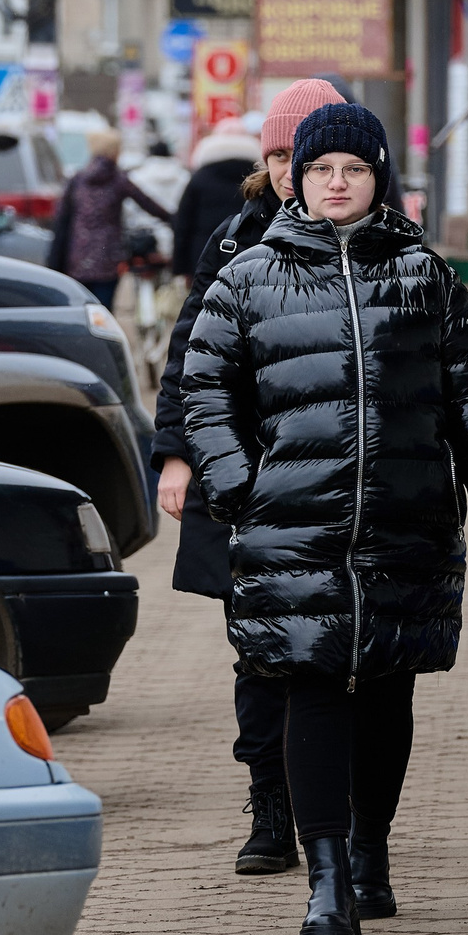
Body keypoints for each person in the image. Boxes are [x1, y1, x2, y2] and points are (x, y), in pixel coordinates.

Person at [179, 100, 468, 935]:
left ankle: (372, 853)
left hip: (405, 520)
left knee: (385, 689)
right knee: (310, 684)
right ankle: (327, 880)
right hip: (292, 524)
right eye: (319, 170)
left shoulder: (426, 276)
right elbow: (204, 388)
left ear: (379, 177)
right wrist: (238, 484)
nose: (336, 184)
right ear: (293, 179)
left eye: (354, 169)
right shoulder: (247, 278)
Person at [149, 77, 347, 875]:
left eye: (297, 151)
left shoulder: (373, 239)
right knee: (259, 648)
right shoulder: (233, 241)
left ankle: (340, 818)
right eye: (273, 153)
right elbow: (186, 356)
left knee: (337, 651)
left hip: (335, 483)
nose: (287, 167)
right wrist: (176, 453)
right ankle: (271, 808)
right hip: (248, 484)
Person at [46, 128, 169, 306]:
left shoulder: (77, 180)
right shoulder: (119, 180)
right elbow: (150, 205)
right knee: (103, 313)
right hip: (108, 258)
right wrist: (174, 219)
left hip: (78, 258)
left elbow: (61, 220)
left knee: (81, 311)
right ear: (115, 151)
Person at [170, 126, 259, 280]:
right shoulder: (257, 178)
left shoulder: (200, 178)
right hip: (250, 256)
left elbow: (183, 224)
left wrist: (181, 267)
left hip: (203, 254)